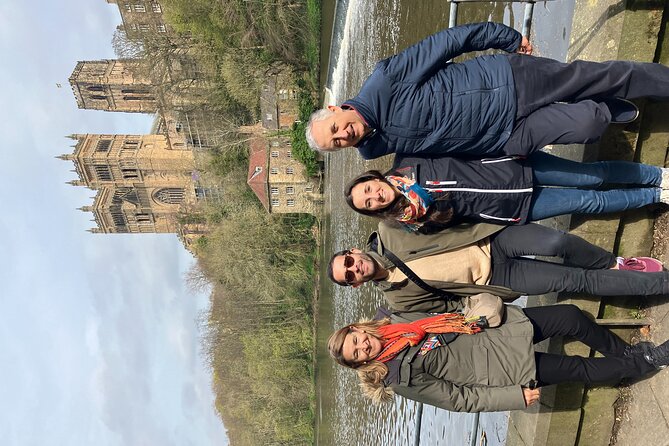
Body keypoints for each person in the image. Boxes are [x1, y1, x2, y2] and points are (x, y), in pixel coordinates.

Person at [306, 21, 669, 160]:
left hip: (506, 82)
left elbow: (449, 41)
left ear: (337, 109)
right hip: (504, 137)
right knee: (588, 125)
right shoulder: (372, 150)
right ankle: (604, 109)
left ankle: (659, 84)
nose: (343, 136)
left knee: (600, 75)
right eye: (335, 143)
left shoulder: (383, 80)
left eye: (336, 128)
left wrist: (508, 39)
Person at [328, 304, 669, 413]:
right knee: (578, 368)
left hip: (496, 332)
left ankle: (627, 355)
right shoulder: (398, 378)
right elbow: (456, 400)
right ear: (359, 364)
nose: (362, 348)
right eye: (356, 354)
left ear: (359, 329)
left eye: (356, 340)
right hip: (501, 369)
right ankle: (649, 360)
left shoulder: (395, 321)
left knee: (570, 317)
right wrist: (513, 397)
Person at [327, 221, 666, 312]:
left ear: (354, 251)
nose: (355, 268)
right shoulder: (397, 300)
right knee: (574, 281)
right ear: (356, 284)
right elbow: (444, 306)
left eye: (349, 262)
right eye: (350, 275)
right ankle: (661, 284)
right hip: (497, 278)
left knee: (557, 243)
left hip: (491, 238)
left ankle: (614, 263)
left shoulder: (390, 230)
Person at [345, 151, 669, 230]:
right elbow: (463, 227)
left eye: (369, 189)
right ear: (373, 210)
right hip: (513, 208)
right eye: (369, 203)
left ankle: (657, 175)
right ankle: (656, 195)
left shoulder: (409, 160)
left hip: (515, 166)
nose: (375, 196)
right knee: (589, 202)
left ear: (373, 177)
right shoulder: (411, 221)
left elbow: (460, 142)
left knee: (593, 177)